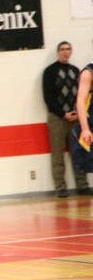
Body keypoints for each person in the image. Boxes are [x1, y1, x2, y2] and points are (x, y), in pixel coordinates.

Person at [43, 41, 91, 198]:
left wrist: (77, 113)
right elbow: (48, 97)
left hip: (76, 118)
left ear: (71, 52)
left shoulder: (76, 71)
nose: (65, 52)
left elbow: (82, 96)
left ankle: (82, 185)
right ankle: (60, 187)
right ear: (58, 52)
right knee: (57, 154)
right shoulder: (50, 71)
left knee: (78, 151)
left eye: (68, 49)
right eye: (62, 49)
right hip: (57, 118)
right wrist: (63, 113)